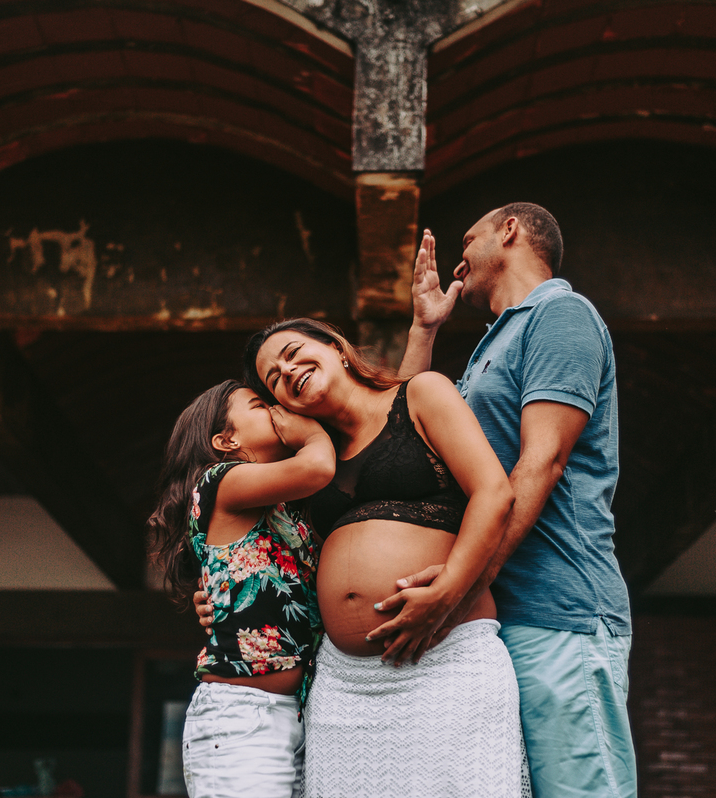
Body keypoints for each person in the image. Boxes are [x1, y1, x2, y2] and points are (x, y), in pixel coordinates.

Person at [379, 203, 637, 798]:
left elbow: (542, 461)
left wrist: (460, 586)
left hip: (559, 611)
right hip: (497, 619)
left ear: (511, 231)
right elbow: (400, 436)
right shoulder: (487, 351)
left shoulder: (561, 314)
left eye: (469, 240)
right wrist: (424, 329)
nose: (458, 260)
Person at [243, 318, 528, 798]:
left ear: (335, 347)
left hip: (446, 655)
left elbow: (494, 493)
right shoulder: (314, 458)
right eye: (274, 377)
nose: (287, 370)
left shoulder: (422, 395)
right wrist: (215, 593)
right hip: (346, 684)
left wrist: (448, 591)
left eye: (293, 352)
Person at [147, 379, 335, 798]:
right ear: (225, 439)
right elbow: (319, 466)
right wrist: (312, 433)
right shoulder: (222, 479)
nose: (274, 409)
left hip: (295, 715)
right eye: (258, 405)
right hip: (241, 715)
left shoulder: (283, 507)